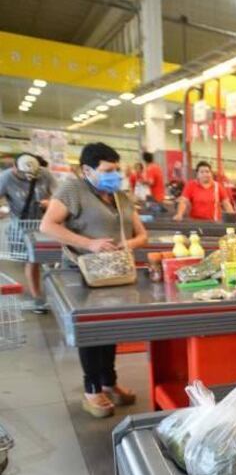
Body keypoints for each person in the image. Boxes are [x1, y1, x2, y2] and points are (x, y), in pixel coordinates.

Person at [40, 142, 148, 418]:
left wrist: (128, 245)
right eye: (108, 170)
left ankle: (109, 382)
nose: (115, 174)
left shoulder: (120, 196)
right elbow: (48, 225)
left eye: (117, 169)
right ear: (87, 170)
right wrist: (88, 243)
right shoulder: (72, 190)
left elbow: (141, 234)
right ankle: (91, 389)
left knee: (108, 328)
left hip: (113, 272)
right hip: (80, 271)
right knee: (90, 331)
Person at [0, 153, 58, 313]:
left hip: (46, 223)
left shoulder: (45, 174)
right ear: (14, 168)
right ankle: (37, 298)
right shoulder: (5, 178)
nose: (28, 178)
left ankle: (57, 294)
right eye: (23, 175)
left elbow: (60, 196)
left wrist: (51, 203)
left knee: (53, 261)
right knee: (31, 261)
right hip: (22, 226)